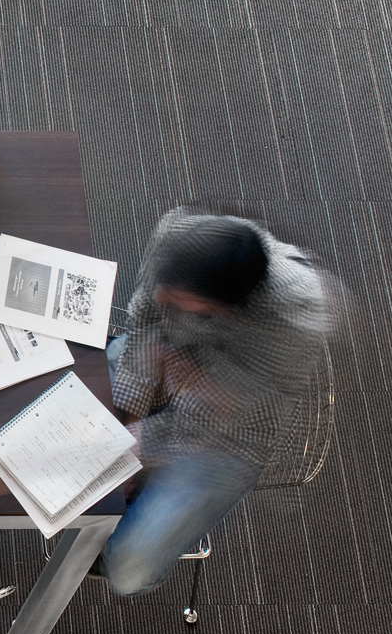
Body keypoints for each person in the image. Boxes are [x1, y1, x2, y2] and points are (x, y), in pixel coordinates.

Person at [97, 209, 332, 596]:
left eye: (176, 298)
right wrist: (129, 416)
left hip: (231, 435)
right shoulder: (178, 237)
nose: (160, 297)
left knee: (128, 567)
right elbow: (142, 322)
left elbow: (199, 424)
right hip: (166, 366)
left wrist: (127, 458)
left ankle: (97, 553)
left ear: (221, 308)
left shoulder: (291, 321)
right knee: (60, 398)